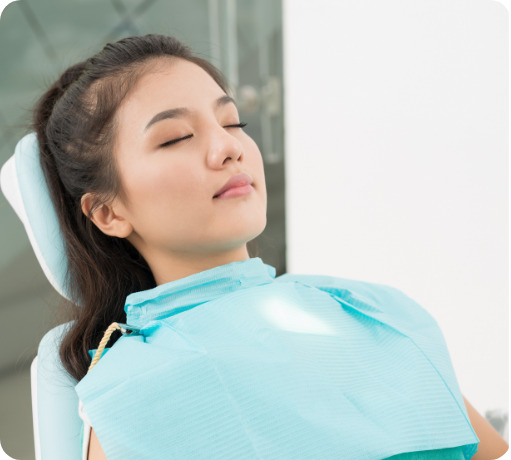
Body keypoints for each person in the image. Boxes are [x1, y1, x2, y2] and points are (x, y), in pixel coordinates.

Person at [31, 34, 507, 460]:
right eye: (176, 137)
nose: (228, 148)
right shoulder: (133, 391)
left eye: (233, 123)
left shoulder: (368, 308)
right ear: (108, 213)